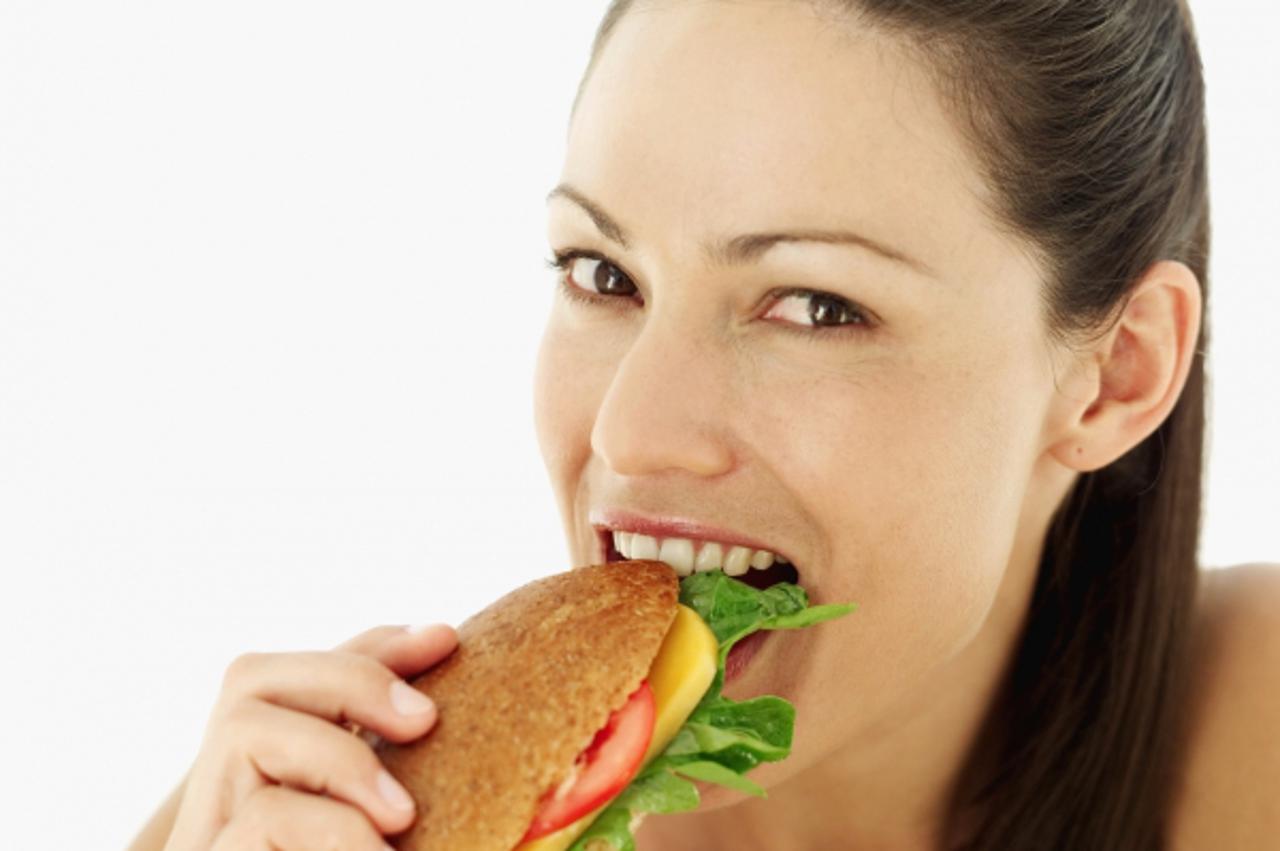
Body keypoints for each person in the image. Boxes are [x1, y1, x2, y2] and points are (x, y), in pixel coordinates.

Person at [131, 1, 1280, 849]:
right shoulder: (290, 818)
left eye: (816, 304)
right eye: (601, 272)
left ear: (1113, 373)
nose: (630, 432)